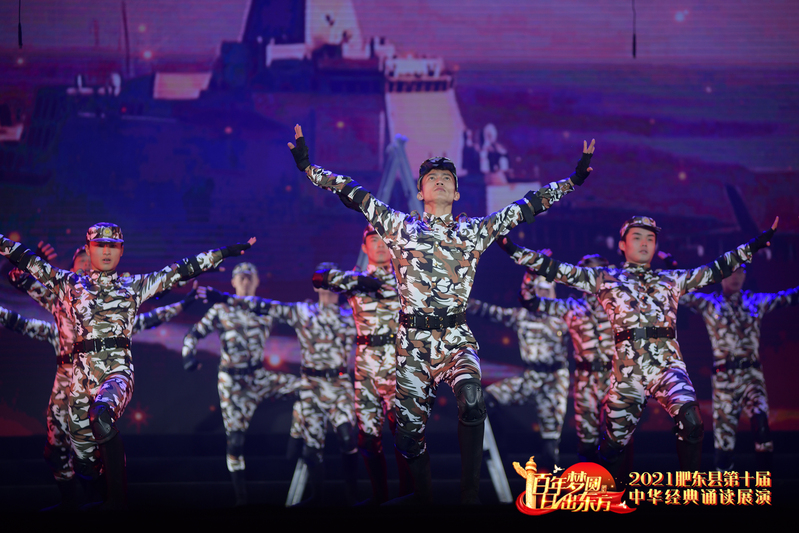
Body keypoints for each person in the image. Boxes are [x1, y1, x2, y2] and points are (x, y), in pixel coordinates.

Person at [287, 123, 595, 504]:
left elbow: (527, 206)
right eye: (431, 178)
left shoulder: (474, 231)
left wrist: (573, 181)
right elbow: (352, 193)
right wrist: (308, 168)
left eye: (447, 178)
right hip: (412, 345)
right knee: (406, 438)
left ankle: (469, 495)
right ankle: (424, 499)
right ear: (420, 191)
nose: (439, 181)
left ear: (456, 191)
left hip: (455, 337)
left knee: (472, 398)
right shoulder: (399, 226)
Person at [497, 215, 779, 484]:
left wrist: (755, 245)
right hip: (627, 373)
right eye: (637, 237)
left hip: (667, 366)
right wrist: (511, 248)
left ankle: (690, 490)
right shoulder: (605, 279)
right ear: (622, 244)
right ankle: (607, 491)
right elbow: (556, 269)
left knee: (692, 421)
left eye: (650, 239)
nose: (644, 243)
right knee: (612, 445)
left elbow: (716, 268)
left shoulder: (672, 279)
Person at [0, 223, 254, 508]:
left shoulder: (134, 286)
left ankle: (119, 505)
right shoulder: (69, 284)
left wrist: (224, 253)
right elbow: (26, 262)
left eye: (113, 246)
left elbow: (180, 269)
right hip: (80, 381)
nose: (106, 252)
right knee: (84, 462)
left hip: (117, 371)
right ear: (89, 249)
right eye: (100, 246)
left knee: (101, 416)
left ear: (121, 251)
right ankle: (97, 496)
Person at [205, 263, 359, 505]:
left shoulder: (350, 316)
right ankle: (317, 497)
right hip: (311, 385)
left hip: (339, 385)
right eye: (323, 279)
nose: (328, 284)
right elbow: (265, 306)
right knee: (312, 449)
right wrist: (225, 298)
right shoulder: (303, 311)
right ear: (316, 286)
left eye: (333, 279)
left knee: (347, 438)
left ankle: (352, 497)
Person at [182, 262, 300, 506]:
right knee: (235, 440)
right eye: (241, 278)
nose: (245, 282)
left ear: (256, 281)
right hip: (233, 382)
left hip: (258, 377)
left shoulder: (265, 308)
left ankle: (299, 440)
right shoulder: (221, 308)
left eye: (249, 278)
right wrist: (188, 357)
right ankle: (241, 498)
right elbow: (193, 333)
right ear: (233, 282)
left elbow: (295, 315)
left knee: (307, 388)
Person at [313, 225, 412, 503]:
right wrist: (358, 281)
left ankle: (408, 495)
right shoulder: (355, 279)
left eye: (384, 240)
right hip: (365, 367)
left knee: (403, 433)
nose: (379, 244)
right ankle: (379, 497)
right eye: (373, 239)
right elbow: (318, 278)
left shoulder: (405, 278)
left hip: (397, 364)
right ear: (364, 247)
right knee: (367, 437)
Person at [678, 262, 797, 471]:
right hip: (724, 380)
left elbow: (786, 297)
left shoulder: (755, 301)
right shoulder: (709, 303)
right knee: (724, 442)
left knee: (761, 425)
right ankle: (724, 484)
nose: (735, 277)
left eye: (740, 272)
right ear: (721, 276)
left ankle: (766, 482)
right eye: (730, 273)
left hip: (752, 375)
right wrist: (673, 267)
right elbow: (678, 294)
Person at [466, 271, 570, 472]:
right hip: (530, 377)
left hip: (554, 381)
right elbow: (488, 311)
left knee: (550, 444)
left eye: (548, 290)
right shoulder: (522, 316)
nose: (544, 295)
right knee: (485, 400)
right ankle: (501, 451)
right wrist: (459, 301)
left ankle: (547, 479)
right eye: (540, 290)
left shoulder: (565, 316)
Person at [518, 253, 616, 463]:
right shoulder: (571, 307)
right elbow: (529, 301)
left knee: (617, 439)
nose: (593, 278)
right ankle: (590, 480)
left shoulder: (618, 305)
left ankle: (619, 481)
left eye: (598, 273)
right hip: (585, 379)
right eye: (587, 273)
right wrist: (531, 273)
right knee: (587, 441)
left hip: (615, 377)